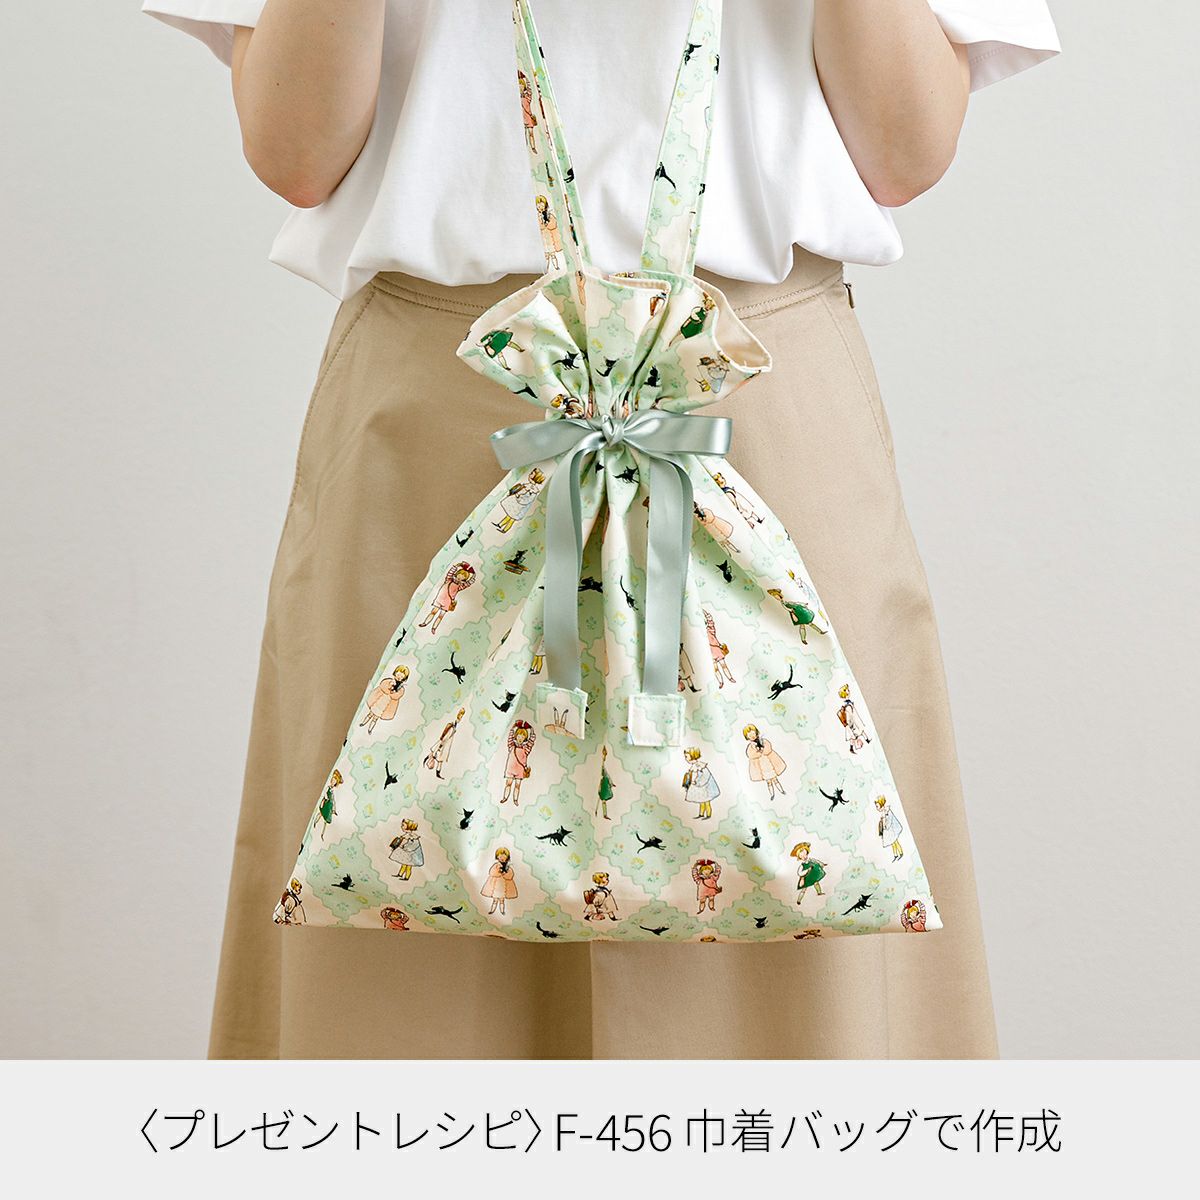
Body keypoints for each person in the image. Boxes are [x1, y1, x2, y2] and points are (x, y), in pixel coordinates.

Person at [143, 0, 1060, 1060]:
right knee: (399, 984)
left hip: (745, 398)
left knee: (795, 962)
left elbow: (902, 149)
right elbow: (296, 150)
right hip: (451, 407)